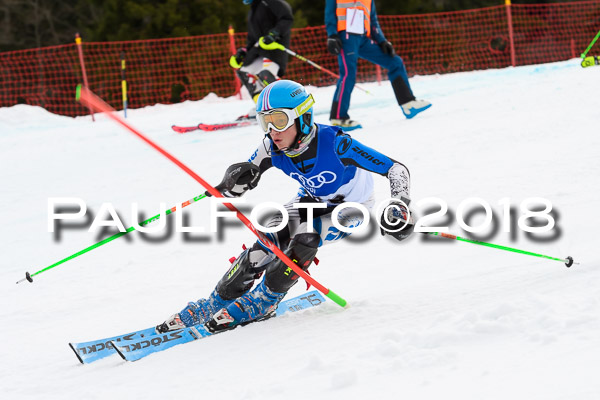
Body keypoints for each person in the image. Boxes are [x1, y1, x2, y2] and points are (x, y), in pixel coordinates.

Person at [157, 80, 415, 334]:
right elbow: (244, 180)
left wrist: (399, 205)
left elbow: (395, 168)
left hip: (350, 207)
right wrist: (233, 181)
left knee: (305, 238)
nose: (272, 131)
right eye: (264, 122)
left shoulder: (336, 144)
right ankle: (216, 301)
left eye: (279, 121)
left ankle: (264, 301)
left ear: (302, 118)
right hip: (311, 199)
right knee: (269, 240)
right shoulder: (271, 147)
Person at [324, 0, 431, 130]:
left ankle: (408, 103)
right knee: (348, 75)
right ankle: (338, 118)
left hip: (363, 37)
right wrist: (332, 35)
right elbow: (330, 13)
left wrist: (382, 41)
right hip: (346, 37)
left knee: (395, 62)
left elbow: (373, 20)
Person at [229, 0, 294, 118]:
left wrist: (274, 34)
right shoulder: (253, 9)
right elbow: (252, 37)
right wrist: (244, 52)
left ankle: (286, 105)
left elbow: (287, 18)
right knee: (245, 71)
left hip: (274, 48)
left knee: (266, 75)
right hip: (258, 51)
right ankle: (262, 106)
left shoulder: (271, 2)